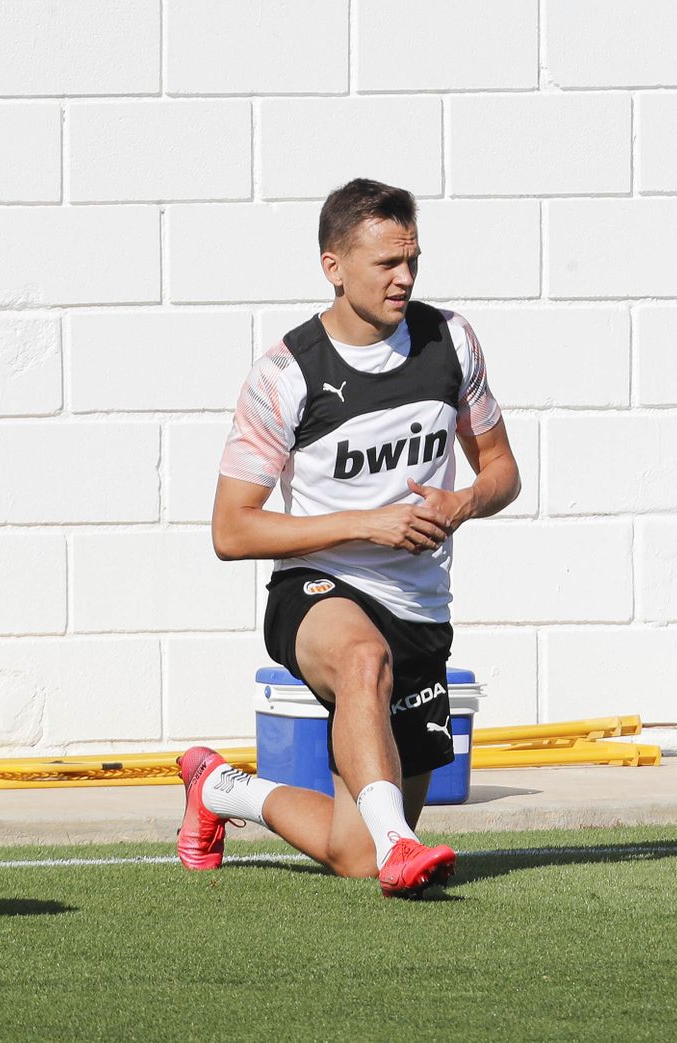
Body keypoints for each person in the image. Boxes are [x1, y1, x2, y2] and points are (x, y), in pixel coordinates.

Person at [181, 178, 521, 898]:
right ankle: (403, 843)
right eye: (385, 264)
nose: (404, 278)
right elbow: (231, 528)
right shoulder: (284, 374)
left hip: (420, 612)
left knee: (351, 850)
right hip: (316, 588)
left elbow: (504, 471)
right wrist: (367, 523)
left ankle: (221, 788)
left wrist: (463, 502)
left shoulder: (451, 341)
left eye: (413, 261)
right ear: (333, 266)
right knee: (363, 658)